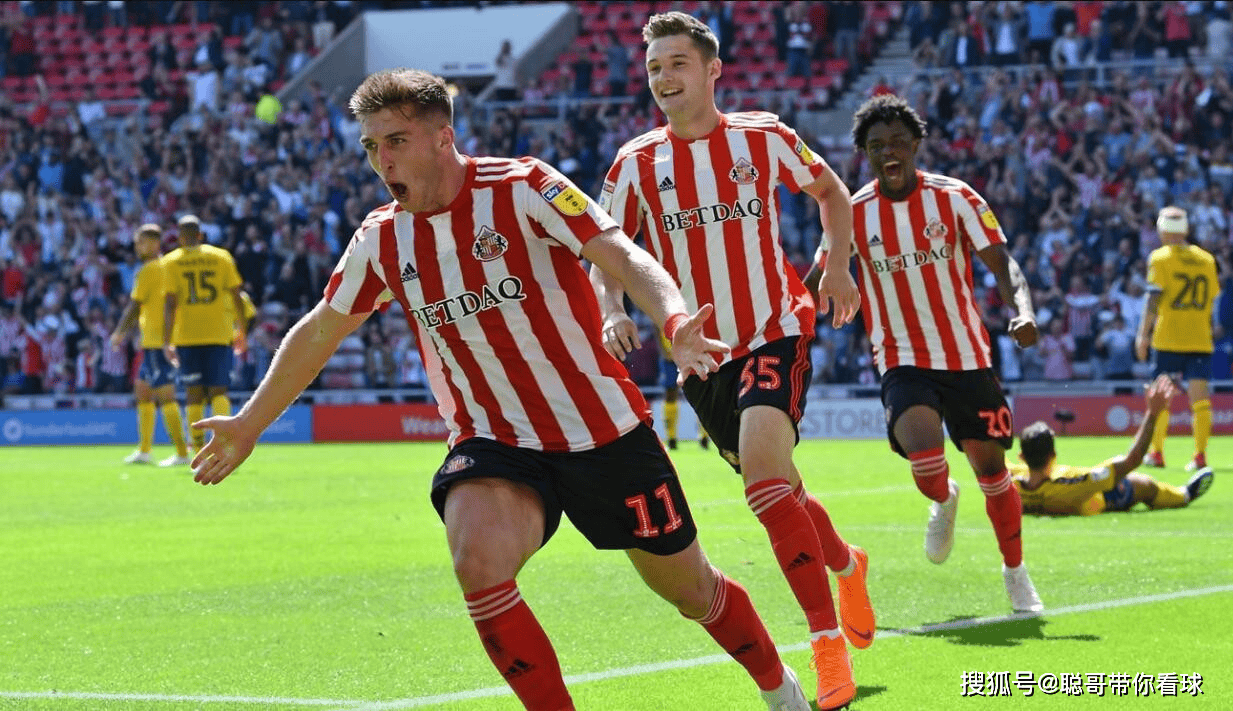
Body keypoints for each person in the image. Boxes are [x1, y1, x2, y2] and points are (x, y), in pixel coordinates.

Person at [188, 68, 818, 711]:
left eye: (396, 141)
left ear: (443, 137)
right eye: (371, 146)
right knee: (478, 563)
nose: (381, 161)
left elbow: (622, 254)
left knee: (692, 592)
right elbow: (322, 329)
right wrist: (249, 423)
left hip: (602, 432)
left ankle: (779, 688)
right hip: (494, 440)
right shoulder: (381, 238)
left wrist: (674, 319)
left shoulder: (523, 186)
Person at [591, 13, 871, 710]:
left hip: (774, 330)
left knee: (766, 486)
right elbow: (604, 250)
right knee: (782, 490)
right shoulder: (634, 164)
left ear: (713, 70)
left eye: (677, 63)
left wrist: (837, 265)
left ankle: (825, 644)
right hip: (701, 359)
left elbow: (833, 192)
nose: (664, 78)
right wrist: (612, 308)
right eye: (654, 67)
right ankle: (845, 562)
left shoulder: (761, 136)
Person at [805, 94, 1044, 614]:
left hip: (966, 355)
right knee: (927, 463)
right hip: (901, 356)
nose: (888, 152)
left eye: (897, 142)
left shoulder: (955, 198)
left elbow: (1003, 263)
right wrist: (787, 325)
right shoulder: (852, 213)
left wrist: (1023, 310)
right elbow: (818, 278)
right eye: (876, 146)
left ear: (915, 144)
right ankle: (943, 497)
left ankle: (1015, 572)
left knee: (992, 472)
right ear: (865, 154)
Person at [1012, 374, 1214, 515]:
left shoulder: (1011, 485)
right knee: (1142, 484)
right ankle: (1184, 495)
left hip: (1069, 485)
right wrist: (1152, 413)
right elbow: (1132, 460)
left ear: (1021, 456)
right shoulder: (1075, 485)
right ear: (1053, 455)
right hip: (1100, 496)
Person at [1135, 206, 1220, 471]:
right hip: (1199, 338)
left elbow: (1153, 299)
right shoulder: (1207, 259)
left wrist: (1142, 334)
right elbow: (1212, 298)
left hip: (1168, 338)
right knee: (1200, 399)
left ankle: (1157, 453)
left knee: (1160, 397)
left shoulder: (1160, 258)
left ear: (1163, 230)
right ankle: (1200, 456)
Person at [162, 214, 246, 453]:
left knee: (193, 394)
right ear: (200, 235)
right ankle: (222, 444)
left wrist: (167, 341)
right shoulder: (221, 257)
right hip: (219, 333)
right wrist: (242, 329)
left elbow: (170, 303)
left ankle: (198, 448)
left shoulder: (171, 261)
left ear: (179, 237)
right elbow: (237, 296)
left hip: (187, 336)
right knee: (219, 391)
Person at [111, 224, 191, 467]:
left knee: (166, 397)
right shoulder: (168, 266)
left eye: (142, 242)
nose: (138, 247)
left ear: (156, 243)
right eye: (137, 243)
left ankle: (182, 453)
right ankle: (145, 450)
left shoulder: (148, 270)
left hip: (158, 342)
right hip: (155, 341)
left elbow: (134, 306)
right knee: (143, 392)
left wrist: (119, 333)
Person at [659, 331, 709, 450]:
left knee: (700, 390)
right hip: (669, 356)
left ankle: (705, 436)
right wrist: (663, 350)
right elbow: (656, 325)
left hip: (692, 353)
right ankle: (671, 438)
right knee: (670, 394)